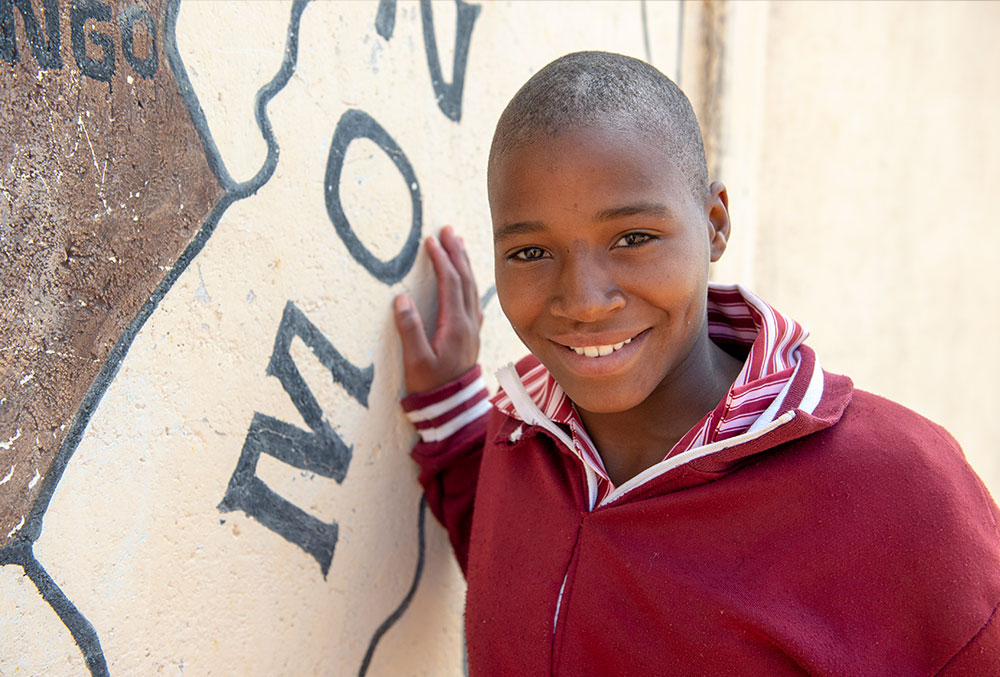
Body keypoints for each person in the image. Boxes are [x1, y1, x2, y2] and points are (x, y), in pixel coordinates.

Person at [391, 51, 1000, 675]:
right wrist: (450, 406)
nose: (583, 301)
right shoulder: (523, 438)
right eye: (530, 252)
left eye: (632, 239)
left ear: (714, 224)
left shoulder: (903, 492)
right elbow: (523, 567)